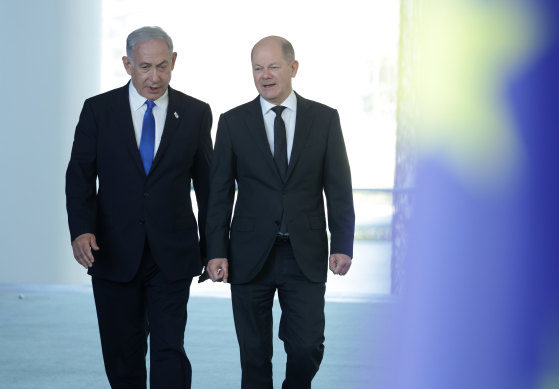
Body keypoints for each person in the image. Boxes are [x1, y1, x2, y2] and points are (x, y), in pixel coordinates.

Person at [65, 26, 212, 388]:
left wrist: (213, 249)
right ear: (127, 64)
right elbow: (80, 176)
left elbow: (210, 189)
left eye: (163, 66)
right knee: (122, 353)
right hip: (112, 251)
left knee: (169, 350)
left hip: (172, 255)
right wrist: (82, 229)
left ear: (174, 62)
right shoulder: (98, 111)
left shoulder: (195, 113)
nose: (155, 77)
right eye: (145, 67)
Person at [205, 36, 355, 388]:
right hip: (248, 254)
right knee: (254, 355)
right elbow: (220, 194)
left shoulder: (324, 119)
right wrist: (215, 252)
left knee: (305, 346)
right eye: (258, 68)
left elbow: (338, 188)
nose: (265, 75)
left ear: (293, 68)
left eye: (273, 66)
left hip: (304, 253)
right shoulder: (232, 122)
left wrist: (342, 244)